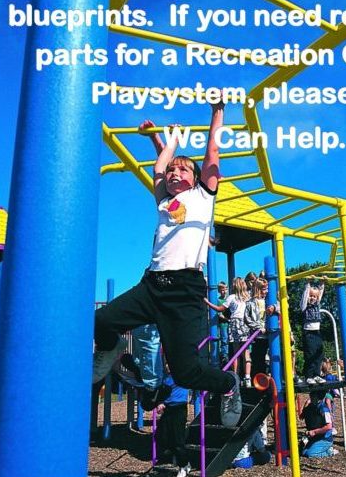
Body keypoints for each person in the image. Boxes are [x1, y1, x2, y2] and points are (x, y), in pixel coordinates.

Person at [92, 99, 242, 429]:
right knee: (100, 321)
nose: (175, 173)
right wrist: (158, 142)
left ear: (197, 177)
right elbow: (160, 169)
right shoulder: (164, 200)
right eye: (173, 170)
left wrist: (217, 113)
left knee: (187, 373)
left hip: (185, 290)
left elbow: (211, 157)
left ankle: (229, 384)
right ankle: (111, 346)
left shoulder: (203, 195)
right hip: (152, 285)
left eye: (183, 170)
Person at [204, 277, 252, 387]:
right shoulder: (247, 297)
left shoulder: (231, 297)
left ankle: (236, 377)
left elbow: (220, 309)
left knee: (236, 353)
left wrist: (207, 302)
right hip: (245, 323)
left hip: (235, 323)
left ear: (234, 286)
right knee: (246, 352)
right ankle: (248, 377)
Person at [156, 361, 191, 477]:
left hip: (179, 408)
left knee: (178, 439)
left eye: (170, 365)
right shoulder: (165, 378)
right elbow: (161, 393)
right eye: (167, 365)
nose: (168, 367)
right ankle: (177, 456)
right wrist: (160, 403)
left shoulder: (181, 376)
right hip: (168, 408)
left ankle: (184, 465)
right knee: (162, 436)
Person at [300, 277, 327, 385]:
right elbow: (305, 295)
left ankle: (316, 375)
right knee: (310, 354)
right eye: (311, 296)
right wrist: (308, 283)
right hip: (308, 333)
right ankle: (309, 376)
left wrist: (322, 283)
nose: (312, 298)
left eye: (314, 296)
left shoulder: (317, 304)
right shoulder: (304, 306)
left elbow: (320, 293)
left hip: (317, 332)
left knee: (319, 354)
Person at [299, 390, 336, 458]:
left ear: (318, 397)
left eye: (313, 395)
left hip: (324, 439)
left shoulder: (324, 409)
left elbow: (328, 427)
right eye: (310, 395)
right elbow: (301, 416)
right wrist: (306, 404)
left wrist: (314, 432)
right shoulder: (311, 406)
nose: (310, 396)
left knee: (310, 454)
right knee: (303, 452)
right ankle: (319, 448)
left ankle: (330, 452)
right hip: (314, 438)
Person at [217, 281, 230, 366]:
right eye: (222, 290)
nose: (224, 291)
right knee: (224, 339)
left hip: (229, 323)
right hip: (223, 324)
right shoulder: (218, 301)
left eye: (225, 289)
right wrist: (227, 319)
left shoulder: (229, 299)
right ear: (219, 291)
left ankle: (229, 354)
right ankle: (225, 356)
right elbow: (219, 314)